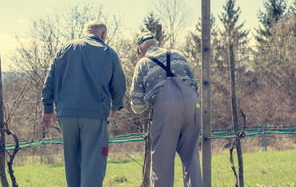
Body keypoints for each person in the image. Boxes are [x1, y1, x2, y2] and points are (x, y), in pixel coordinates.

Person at [42, 20, 126, 187]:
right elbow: (119, 85)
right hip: (94, 116)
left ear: (85, 32)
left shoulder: (64, 49)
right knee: (93, 165)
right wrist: (115, 107)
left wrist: (47, 108)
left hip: (67, 115)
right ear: (103, 35)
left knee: (72, 165)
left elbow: (49, 81)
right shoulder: (108, 52)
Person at [130, 32, 202, 187]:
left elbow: (136, 103)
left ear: (140, 49)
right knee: (192, 157)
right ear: (156, 43)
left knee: (161, 162)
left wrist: (149, 105)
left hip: (165, 108)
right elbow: (195, 84)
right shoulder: (178, 55)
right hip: (191, 104)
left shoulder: (143, 63)